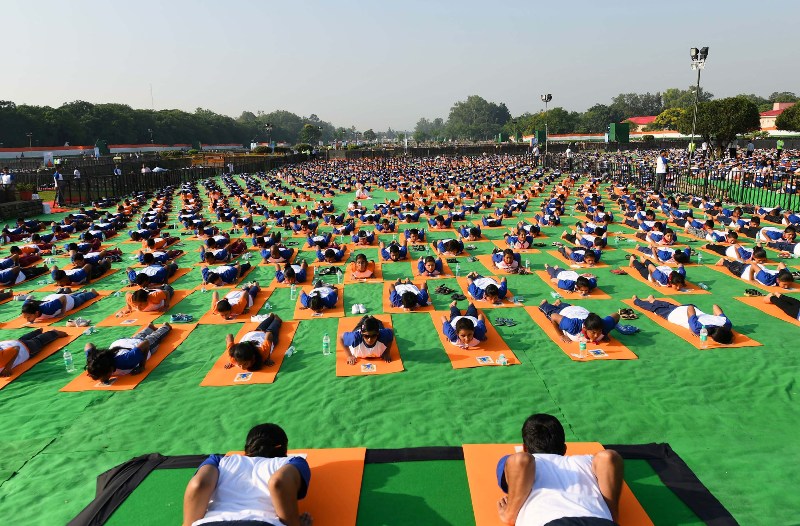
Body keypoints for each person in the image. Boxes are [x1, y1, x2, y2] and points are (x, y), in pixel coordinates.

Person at [496, 413, 623, 526]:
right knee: (607, 456)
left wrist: (509, 512)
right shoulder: (588, 461)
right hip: (600, 521)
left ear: (524, 448)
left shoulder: (523, 461)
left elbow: (520, 462)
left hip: (553, 521)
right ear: (564, 449)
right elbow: (608, 458)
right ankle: (612, 514)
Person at [182, 422, 312, 526]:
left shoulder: (219, 460)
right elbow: (279, 483)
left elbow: (199, 484)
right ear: (284, 449)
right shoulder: (293, 461)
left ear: (247, 449)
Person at [84, 322, 172, 383]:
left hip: (141, 345)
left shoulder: (126, 360)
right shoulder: (94, 361)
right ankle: (149, 327)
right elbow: (88, 344)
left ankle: (165, 326)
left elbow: (145, 344)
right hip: (124, 342)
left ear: (110, 369)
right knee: (138, 336)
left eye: (105, 377)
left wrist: (142, 366)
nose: (102, 381)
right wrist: (90, 360)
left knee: (155, 338)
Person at [632, 294, 734, 344]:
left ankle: (652, 299)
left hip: (682, 309)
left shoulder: (726, 323)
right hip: (674, 314)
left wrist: (714, 317)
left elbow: (715, 306)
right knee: (654, 308)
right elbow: (690, 309)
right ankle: (636, 300)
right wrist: (691, 326)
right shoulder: (699, 329)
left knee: (668, 305)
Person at [538, 299, 619, 343]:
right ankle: (544, 303)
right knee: (548, 310)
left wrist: (605, 334)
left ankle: (559, 303)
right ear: (585, 328)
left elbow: (616, 315)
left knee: (566, 307)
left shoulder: (604, 325)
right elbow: (554, 317)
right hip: (564, 313)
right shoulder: (572, 326)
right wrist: (561, 335)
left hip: (578, 310)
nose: (596, 336)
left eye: (599, 332)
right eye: (593, 332)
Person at [0, 329, 69, 377]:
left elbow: (16, 348)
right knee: (24, 339)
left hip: (25, 348)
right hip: (12, 343)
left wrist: (8, 368)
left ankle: (54, 332)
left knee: (38, 341)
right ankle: (38, 331)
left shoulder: (1, 360)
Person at [20, 289, 99, 322]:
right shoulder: (27, 307)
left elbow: (63, 297)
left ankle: (92, 292)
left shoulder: (48, 309)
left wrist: (63, 312)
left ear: (36, 313)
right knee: (72, 295)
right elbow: (29, 298)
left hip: (68, 301)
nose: (27, 320)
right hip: (52, 298)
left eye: (28, 317)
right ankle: (81, 292)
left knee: (80, 299)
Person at [715, 258, 794, 289]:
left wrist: (778, 271)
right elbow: (753, 265)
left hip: (760, 268)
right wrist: (751, 279)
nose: (787, 287)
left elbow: (781, 264)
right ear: (778, 280)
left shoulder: (786, 275)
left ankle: (740, 261)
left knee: (740, 263)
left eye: (788, 285)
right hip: (745, 271)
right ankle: (724, 261)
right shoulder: (766, 280)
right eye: (785, 285)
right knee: (732, 267)